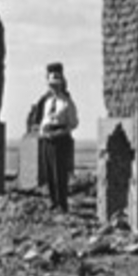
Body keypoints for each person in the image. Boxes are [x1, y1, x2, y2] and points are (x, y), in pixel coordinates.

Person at [29, 62, 78, 211]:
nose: (53, 88)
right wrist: (43, 132)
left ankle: (62, 203)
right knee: (49, 171)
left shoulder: (67, 103)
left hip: (60, 139)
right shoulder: (47, 102)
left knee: (60, 173)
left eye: (56, 85)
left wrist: (59, 133)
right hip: (47, 138)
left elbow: (73, 123)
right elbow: (44, 119)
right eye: (51, 85)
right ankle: (53, 201)